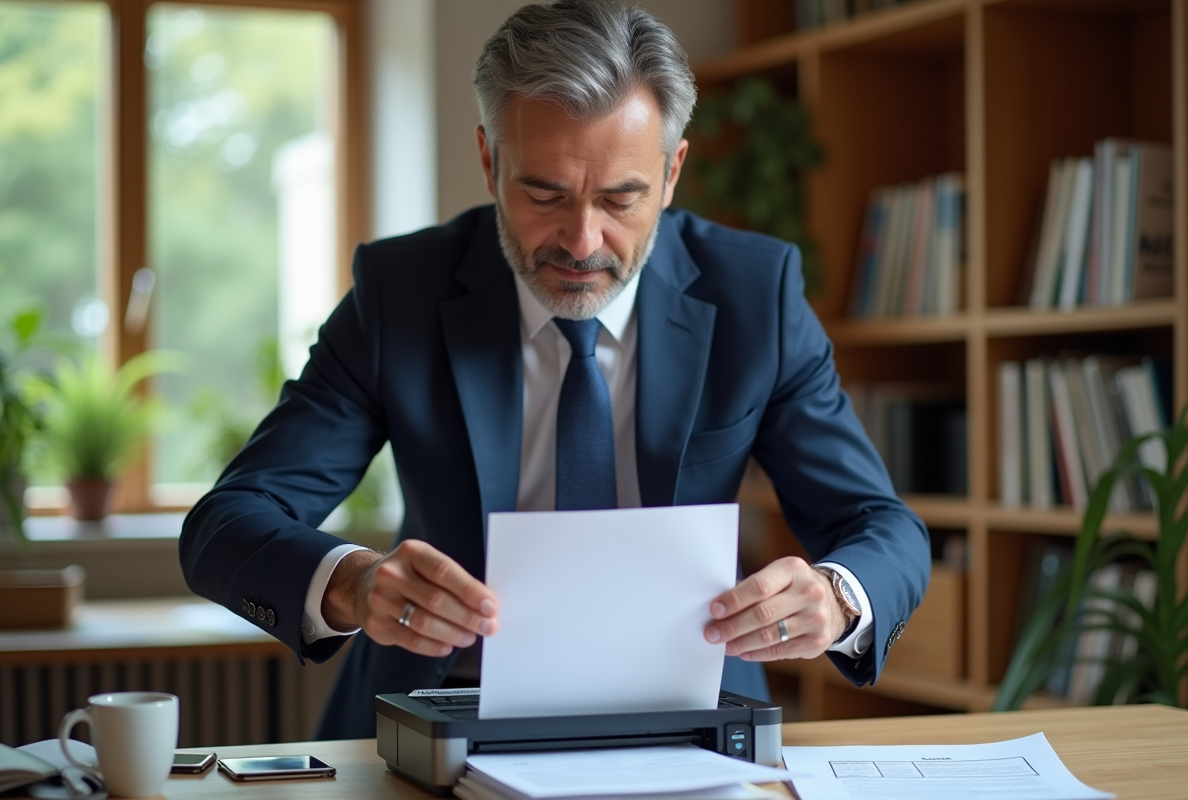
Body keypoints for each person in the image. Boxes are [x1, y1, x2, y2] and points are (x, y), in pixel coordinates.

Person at [180, 0, 930, 740]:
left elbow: (881, 526)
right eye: (544, 194)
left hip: (696, 717)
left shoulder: (753, 296)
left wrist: (835, 596)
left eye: (620, 198)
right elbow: (225, 525)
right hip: (441, 717)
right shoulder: (400, 292)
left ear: (672, 174)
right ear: (488, 160)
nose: (581, 239)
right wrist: (353, 583)